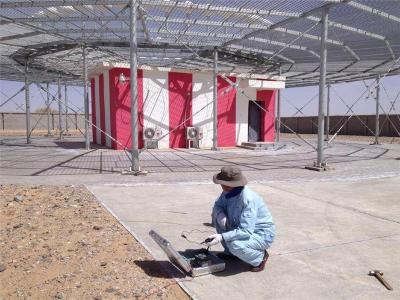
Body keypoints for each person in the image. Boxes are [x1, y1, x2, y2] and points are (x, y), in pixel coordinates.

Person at [205, 166, 275, 272]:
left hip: (261, 234)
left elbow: (246, 231)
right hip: (240, 226)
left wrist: (221, 237)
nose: (220, 185)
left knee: (235, 245)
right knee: (217, 219)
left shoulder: (248, 199)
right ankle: (232, 253)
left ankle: (260, 257)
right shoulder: (228, 192)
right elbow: (218, 205)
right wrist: (220, 215)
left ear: (228, 185)